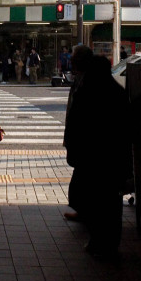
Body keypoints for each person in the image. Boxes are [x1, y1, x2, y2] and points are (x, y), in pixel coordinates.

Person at [63, 54, 132, 259]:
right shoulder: (118, 93)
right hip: (113, 160)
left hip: (91, 159)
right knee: (112, 203)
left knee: (94, 199)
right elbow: (127, 129)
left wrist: (73, 151)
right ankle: (111, 243)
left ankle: (97, 241)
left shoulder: (87, 93)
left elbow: (76, 126)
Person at [62, 45, 93, 221]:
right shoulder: (81, 78)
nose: (70, 60)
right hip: (81, 139)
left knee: (84, 180)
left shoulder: (88, 80)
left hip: (87, 141)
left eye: (73, 57)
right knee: (81, 179)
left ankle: (87, 213)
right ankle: (83, 211)